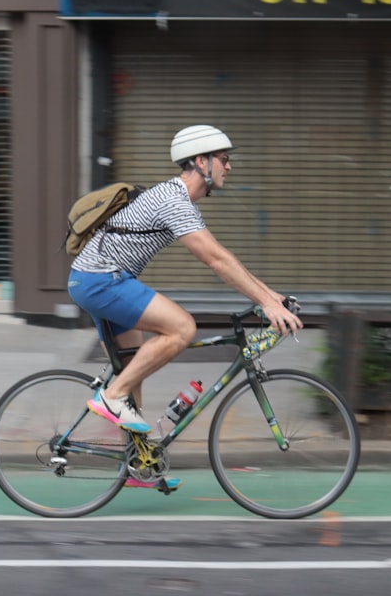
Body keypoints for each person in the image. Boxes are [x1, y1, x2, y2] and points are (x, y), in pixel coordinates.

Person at [67, 125, 303, 489]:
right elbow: (217, 261)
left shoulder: (180, 202)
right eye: (224, 160)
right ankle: (110, 396)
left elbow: (226, 257)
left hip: (99, 280)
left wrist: (272, 297)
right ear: (200, 161)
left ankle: (139, 464)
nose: (229, 167)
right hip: (101, 280)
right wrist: (267, 304)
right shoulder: (173, 200)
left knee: (134, 369)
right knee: (182, 328)